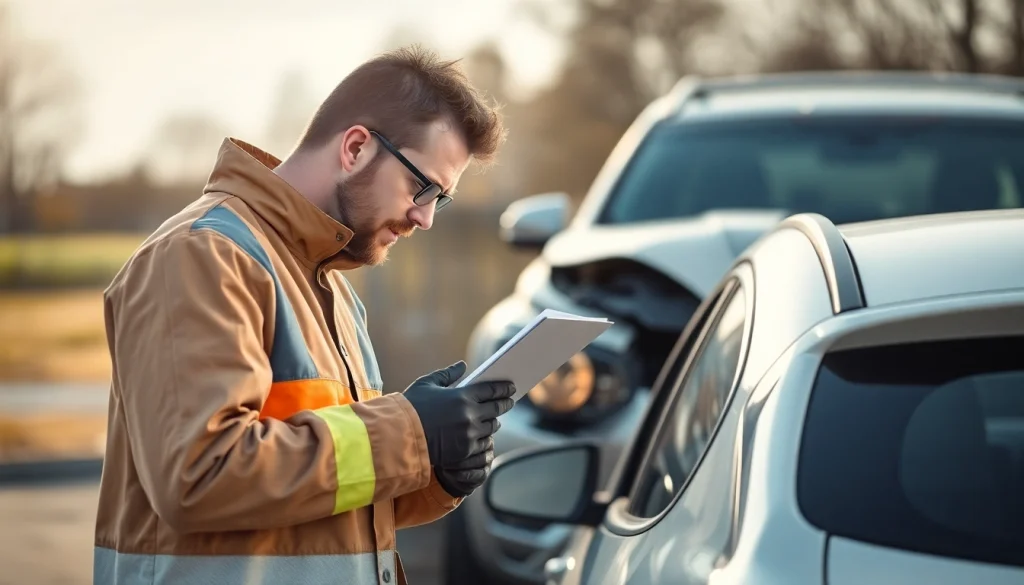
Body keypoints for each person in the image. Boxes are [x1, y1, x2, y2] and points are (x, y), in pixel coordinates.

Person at [94, 45, 515, 585]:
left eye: (441, 199)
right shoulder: (202, 255)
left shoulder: (334, 290)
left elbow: (320, 502)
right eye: (422, 187)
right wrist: (409, 430)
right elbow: (199, 477)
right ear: (357, 148)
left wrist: (434, 470)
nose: (425, 217)